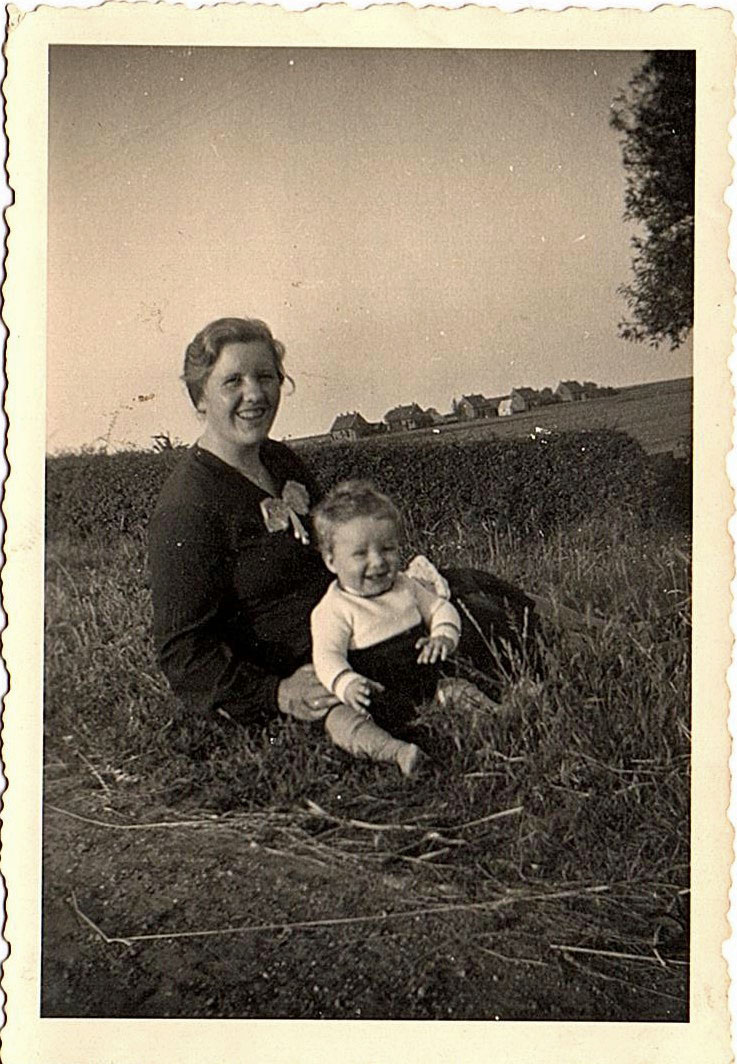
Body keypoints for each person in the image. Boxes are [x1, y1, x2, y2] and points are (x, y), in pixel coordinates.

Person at [148, 315, 540, 752]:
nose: (255, 394)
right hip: (320, 654)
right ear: (199, 397)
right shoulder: (187, 505)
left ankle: (582, 630)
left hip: (357, 609)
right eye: (232, 381)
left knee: (462, 583)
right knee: (475, 621)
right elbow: (181, 651)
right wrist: (277, 693)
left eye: (266, 377)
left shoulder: (279, 460)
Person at [310, 480, 463, 777]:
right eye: (360, 554)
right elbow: (327, 657)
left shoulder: (406, 586)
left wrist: (443, 634)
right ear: (331, 561)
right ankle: (398, 752)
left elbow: (440, 608)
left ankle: (498, 716)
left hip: (426, 685)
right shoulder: (333, 609)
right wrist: (347, 683)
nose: (378, 562)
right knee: (340, 721)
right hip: (374, 700)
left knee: (458, 691)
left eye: (388, 548)